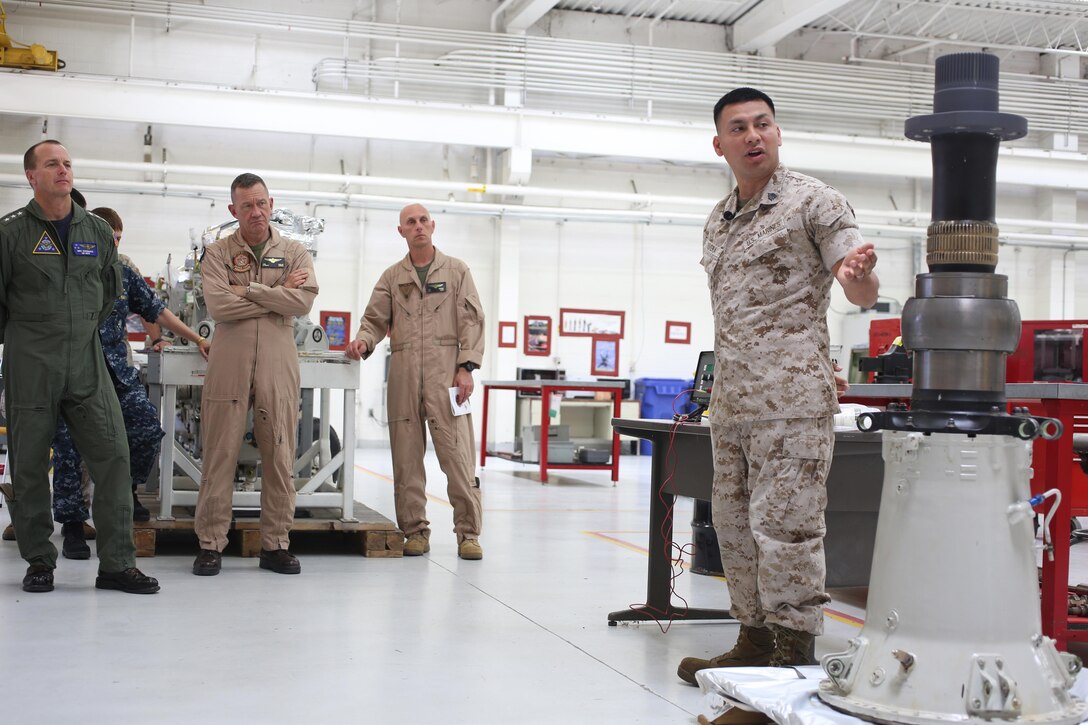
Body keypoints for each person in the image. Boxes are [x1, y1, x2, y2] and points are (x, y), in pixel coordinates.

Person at [677, 88, 878, 682]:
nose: (753, 136)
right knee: (734, 526)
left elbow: (859, 287)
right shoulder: (718, 220)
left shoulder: (814, 201)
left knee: (786, 527)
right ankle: (753, 638)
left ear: (778, 133)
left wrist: (856, 276)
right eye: (738, 128)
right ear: (721, 144)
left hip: (793, 403)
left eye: (763, 124)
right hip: (732, 404)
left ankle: (793, 652)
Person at [0, 140, 159, 594]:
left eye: (67, 163)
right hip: (31, 359)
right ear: (32, 176)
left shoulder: (95, 231)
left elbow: (110, 293)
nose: (63, 170)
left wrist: (78, 325)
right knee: (29, 465)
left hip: (87, 359)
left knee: (113, 456)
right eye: (52, 164)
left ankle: (116, 564)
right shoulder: (10, 234)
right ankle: (38, 561)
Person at [49, 206, 211, 561]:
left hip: (116, 373)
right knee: (69, 446)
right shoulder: (68, 268)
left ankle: (128, 490)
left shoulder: (122, 271)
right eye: (108, 237)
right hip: (74, 372)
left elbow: (154, 309)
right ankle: (73, 524)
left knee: (146, 428)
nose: (113, 243)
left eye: (118, 238)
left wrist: (195, 339)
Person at [191, 173, 318, 576]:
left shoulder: (295, 251)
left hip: (278, 357)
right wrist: (276, 293)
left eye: (261, 203)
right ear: (234, 210)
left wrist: (247, 291)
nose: (256, 211)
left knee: (280, 452)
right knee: (219, 452)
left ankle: (275, 544)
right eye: (246, 205)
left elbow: (303, 303)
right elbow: (218, 306)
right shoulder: (217, 254)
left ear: (271, 203)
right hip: (230, 357)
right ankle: (211, 544)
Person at [345, 203, 485, 560]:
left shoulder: (456, 271)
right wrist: (364, 340)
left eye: (423, 221)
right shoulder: (393, 278)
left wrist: (466, 366)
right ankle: (415, 532)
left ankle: (468, 534)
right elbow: (374, 318)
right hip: (404, 371)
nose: (418, 226)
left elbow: (471, 320)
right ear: (401, 231)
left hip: (446, 372)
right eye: (411, 222)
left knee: (457, 457)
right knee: (406, 459)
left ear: (433, 226)